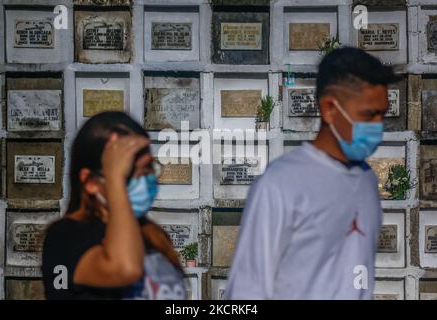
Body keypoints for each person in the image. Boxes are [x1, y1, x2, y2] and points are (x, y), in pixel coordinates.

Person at [226, 47, 400, 300]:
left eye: (382, 115)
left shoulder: (367, 178)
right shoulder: (281, 183)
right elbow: (247, 290)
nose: (378, 126)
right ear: (330, 108)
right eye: (368, 115)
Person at [41, 111, 186, 299]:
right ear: (91, 182)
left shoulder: (151, 233)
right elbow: (125, 270)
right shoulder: (65, 237)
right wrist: (116, 178)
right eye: (129, 172)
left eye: (149, 168)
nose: (145, 179)